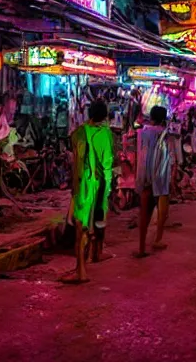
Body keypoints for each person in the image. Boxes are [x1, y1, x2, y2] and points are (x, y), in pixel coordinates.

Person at [65, 101, 115, 284]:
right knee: (97, 223)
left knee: (81, 228)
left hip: (85, 183)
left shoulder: (79, 132)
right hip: (101, 184)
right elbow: (109, 162)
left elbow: (77, 161)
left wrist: (75, 188)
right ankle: (95, 255)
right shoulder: (108, 135)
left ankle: (81, 271)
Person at [133, 106, 173, 258]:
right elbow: (171, 157)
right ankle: (157, 239)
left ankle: (142, 247)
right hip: (161, 177)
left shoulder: (142, 132)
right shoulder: (165, 134)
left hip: (145, 177)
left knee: (144, 213)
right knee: (163, 210)